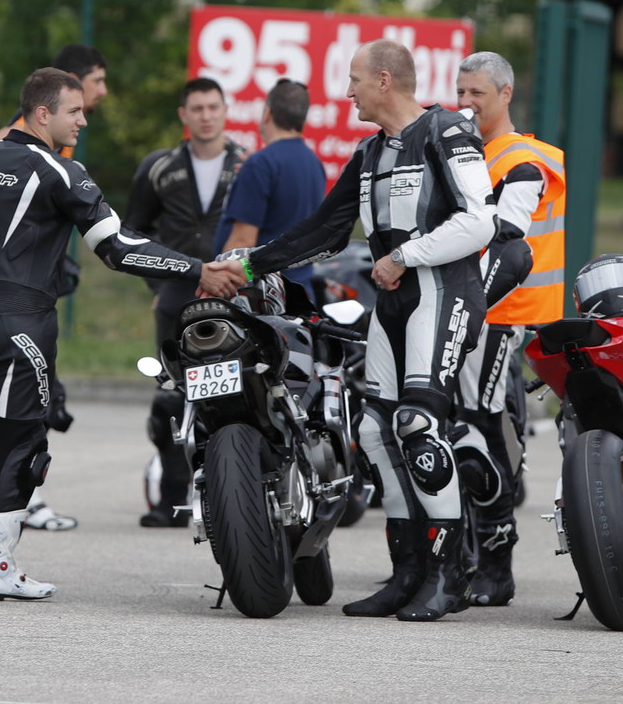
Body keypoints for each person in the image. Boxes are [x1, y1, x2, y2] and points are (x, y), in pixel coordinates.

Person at [0, 67, 247, 600]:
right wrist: (196, 269)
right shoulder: (61, 172)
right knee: (22, 441)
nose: (83, 121)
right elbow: (117, 248)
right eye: (74, 111)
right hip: (24, 325)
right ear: (42, 113)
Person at [232, 39, 494, 622]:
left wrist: (404, 256)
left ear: (383, 80)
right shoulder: (370, 151)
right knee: (375, 430)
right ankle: (407, 574)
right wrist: (249, 266)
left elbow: (480, 221)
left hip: (443, 294)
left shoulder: (447, 130)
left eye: (353, 80)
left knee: (418, 424)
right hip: (392, 304)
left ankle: (449, 574)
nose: (346, 91)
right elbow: (326, 229)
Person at [454, 51, 567, 607]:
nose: (466, 103)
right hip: (471, 314)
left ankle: (496, 564)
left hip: (504, 316)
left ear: (505, 95)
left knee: (481, 429)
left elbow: (507, 237)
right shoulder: (471, 153)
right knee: (461, 429)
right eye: (461, 92)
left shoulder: (520, 159)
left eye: (477, 93)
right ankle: (461, 558)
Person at [0, 44, 109, 530]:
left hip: (29, 291)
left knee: (31, 401)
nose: (101, 93)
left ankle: (1, 507)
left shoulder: (61, 142)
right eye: (96, 82)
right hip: (11, 296)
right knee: (23, 404)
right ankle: (19, 503)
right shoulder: (16, 140)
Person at [124, 78, 246, 527]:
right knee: (171, 401)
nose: (206, 116)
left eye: (213, 107)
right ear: (184, 115)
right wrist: (157, 286)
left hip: (233, 300)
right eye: (197, 108)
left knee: (233, 398)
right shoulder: (160, 167)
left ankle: (233, 499)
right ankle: (172, 500)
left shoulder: (247, 164)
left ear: (225, 110)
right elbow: (131, 232)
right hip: (176, 299)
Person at [215, 77, 327, 298]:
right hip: (301, 293)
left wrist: (218, 286)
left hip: (262, 297)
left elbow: (242, 243)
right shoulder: (314, 164)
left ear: (267, 113)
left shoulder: (260, 164)